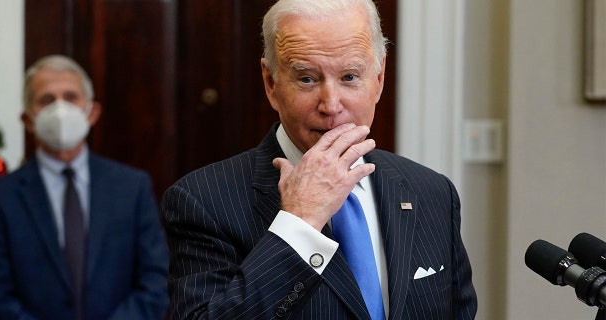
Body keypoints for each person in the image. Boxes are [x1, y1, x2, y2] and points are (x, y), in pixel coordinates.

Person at [161, 0, 477, 318]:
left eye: (350, 77)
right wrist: (300, 225)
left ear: (379, 78)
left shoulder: (433, 192)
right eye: (307, 79)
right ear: (271, 83)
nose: (331, 105)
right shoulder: (202, 201)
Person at [0, 55, 169, 320]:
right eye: (46, 100)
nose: (60, 109)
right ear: (27, 120)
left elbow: (156, 279)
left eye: (71, 96)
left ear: (92, 112)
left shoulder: (131, 187)